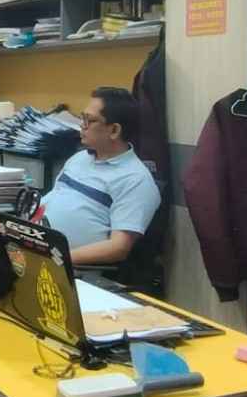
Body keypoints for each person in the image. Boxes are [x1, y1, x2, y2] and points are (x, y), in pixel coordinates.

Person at [39, 86, 160, 268]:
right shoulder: (79, 158)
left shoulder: (135, 180)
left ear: (114, 130)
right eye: (82, 118)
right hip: (39, 249)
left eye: (90, 120)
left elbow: (118, 248)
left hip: (72, 268)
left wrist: (57, 258)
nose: (82, 125)